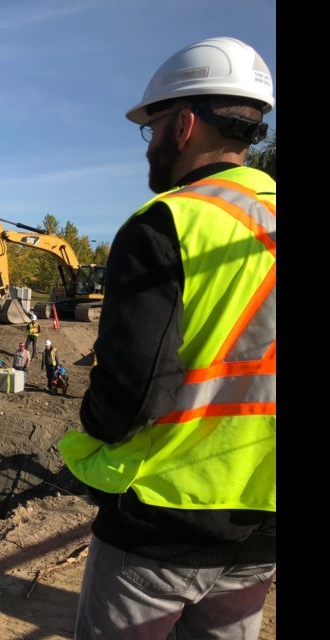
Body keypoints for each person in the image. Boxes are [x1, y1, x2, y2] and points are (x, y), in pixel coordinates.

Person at [57, 37, 275, 639]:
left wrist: (94, 430)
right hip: (264, 513)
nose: (148, 145)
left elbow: (133, 388)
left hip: (164, 518)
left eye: (150, 129)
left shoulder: (170, 222)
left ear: (182, 125)